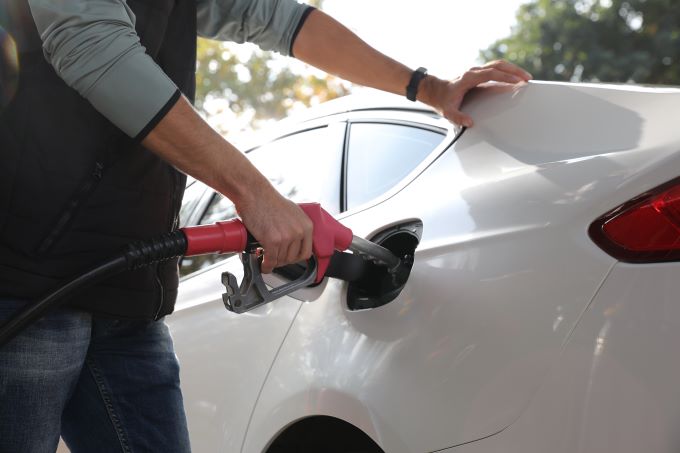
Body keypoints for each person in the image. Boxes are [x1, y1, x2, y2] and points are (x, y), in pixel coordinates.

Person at [0, 0, 532, 451]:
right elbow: (91, 44)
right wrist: (253, 193)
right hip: (27, 281)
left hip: (128, 293)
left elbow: (272, 17)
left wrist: (428, 87)